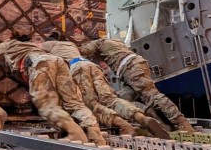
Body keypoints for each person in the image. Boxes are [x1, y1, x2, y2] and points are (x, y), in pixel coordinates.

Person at [40, 37, 169, 139]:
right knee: (110, 99)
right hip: (91, 66)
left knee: (92, 105)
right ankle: (141, 118)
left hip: (77, 69)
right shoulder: (69, 45)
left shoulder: (48, 46)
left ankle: (124, 126)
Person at [0, 36, 104, 144]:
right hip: (59, 61)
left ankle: (75, 134)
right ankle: (95, 134)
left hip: (40, 64)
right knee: (74, 103)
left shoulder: (9, 45)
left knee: (46, 106)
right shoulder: (33, 46)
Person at [80, 38, 195, 132]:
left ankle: (181, 123)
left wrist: (68, 48)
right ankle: (154, 118)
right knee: (123, 100)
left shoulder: (98, 43)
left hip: (130, 68)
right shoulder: (115, 41)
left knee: (151, 95)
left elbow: (82, 52)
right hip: (135, 67)